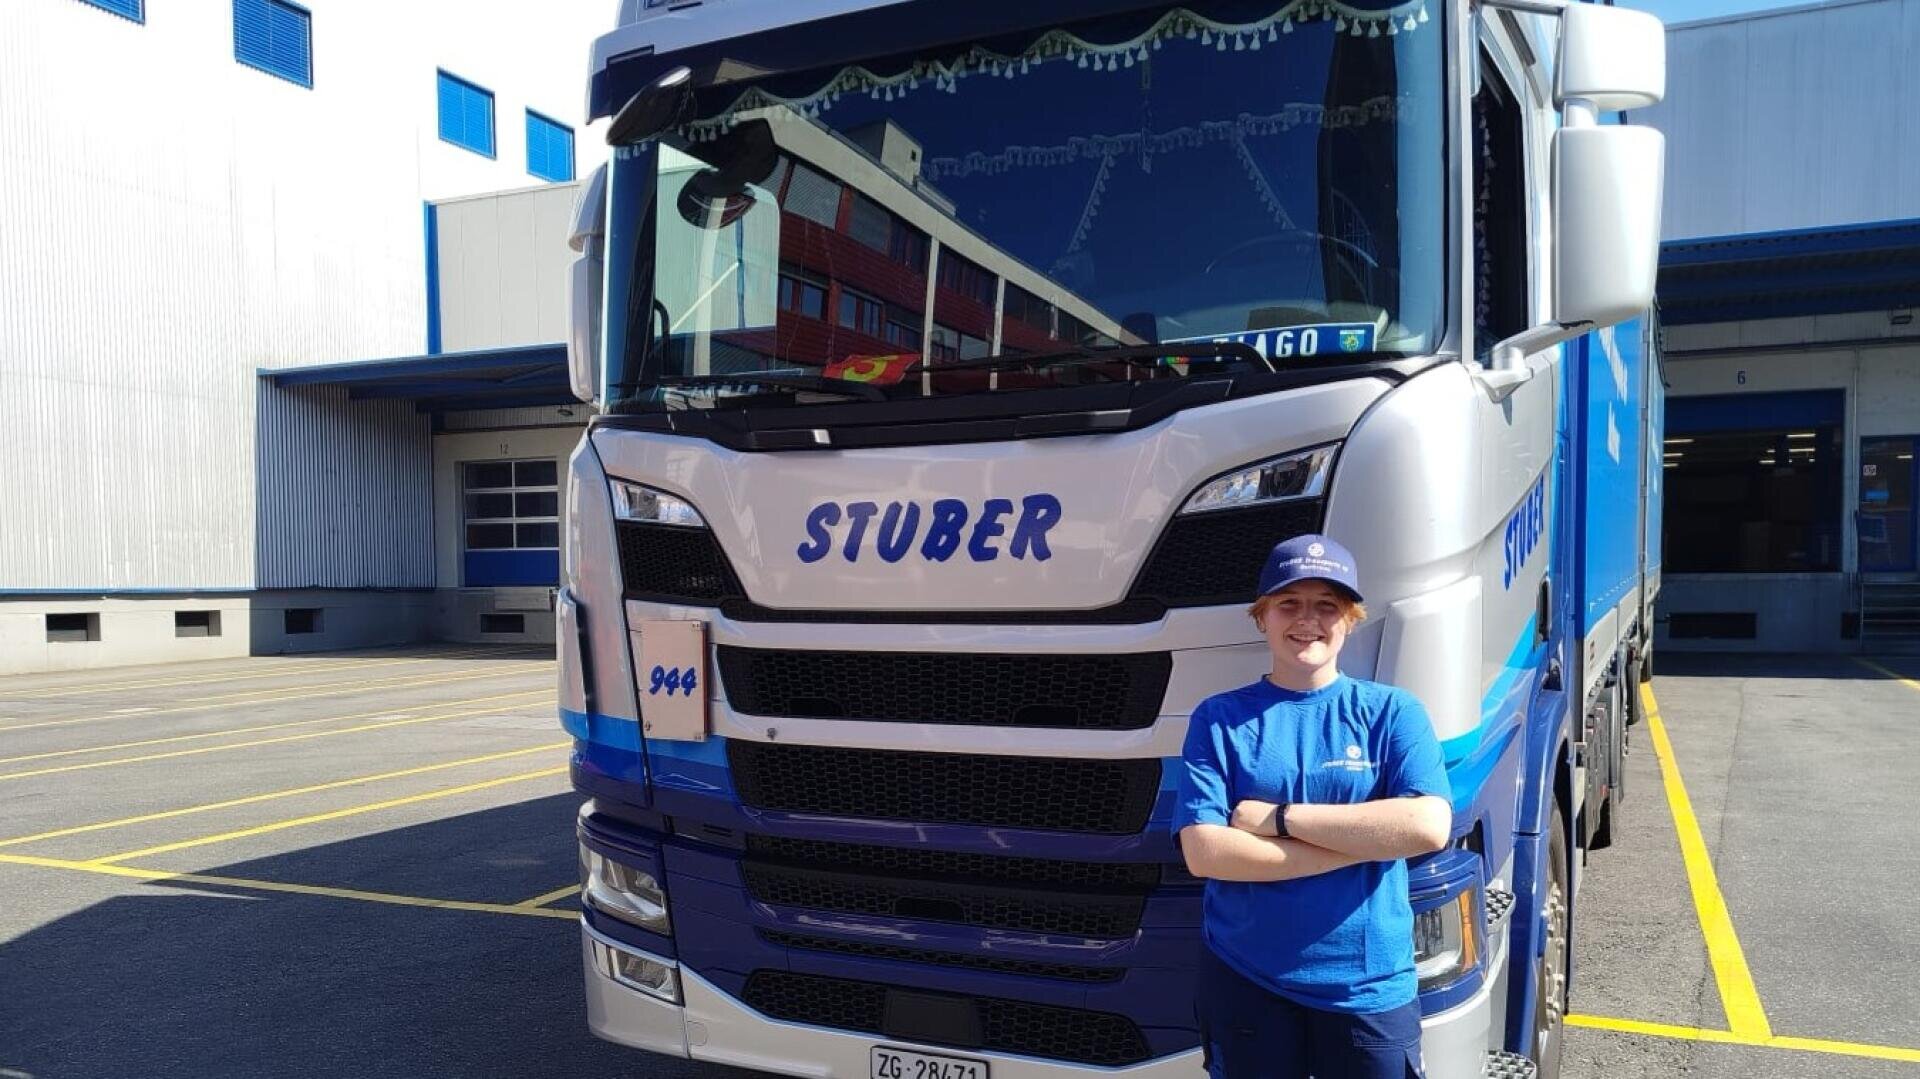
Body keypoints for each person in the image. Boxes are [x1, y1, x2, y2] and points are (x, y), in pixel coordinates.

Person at [1173, 534, 1452, 1078]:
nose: (1308, 621)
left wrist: (1278, 820)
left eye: (1327, 605)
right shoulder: (1219, 720)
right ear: (1262, 617)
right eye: (1289, 604)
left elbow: (1426, 825)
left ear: (1350, 619)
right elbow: (1205, 852)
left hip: (1366, 987)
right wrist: (1361, 846)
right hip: (1245, 976)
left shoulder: (1391, 712)